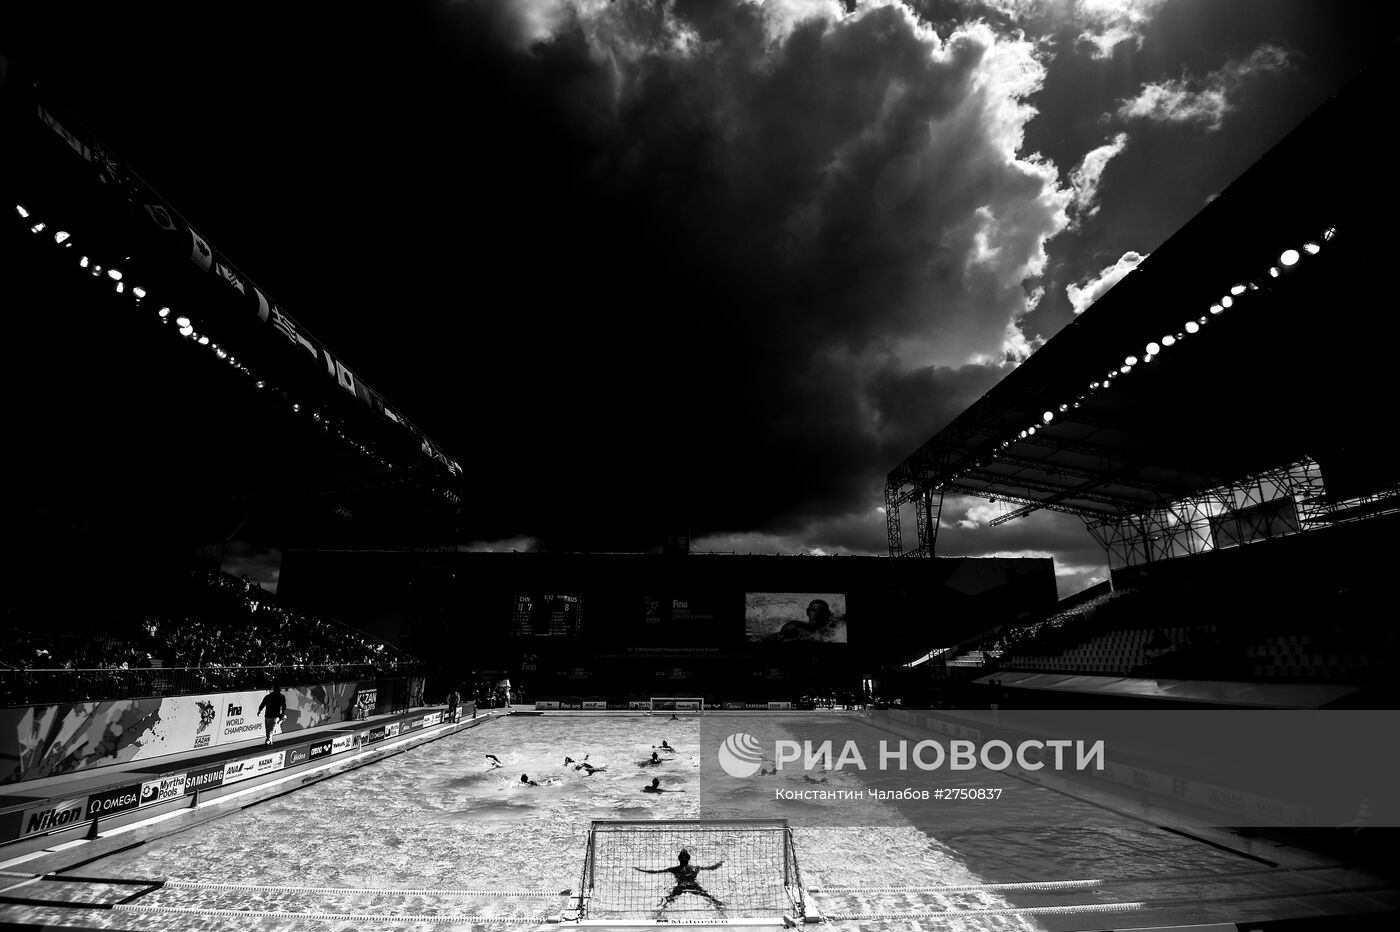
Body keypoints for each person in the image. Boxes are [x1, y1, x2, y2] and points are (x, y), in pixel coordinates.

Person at [634, 850, 724, 917]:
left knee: (668, 900)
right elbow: (711, 868)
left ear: (679, 859)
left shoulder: (676, 869)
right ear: (688, 858)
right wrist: (719, 864)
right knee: (710, 898)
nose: (683, 860)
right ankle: (721, 909)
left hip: (681, 887)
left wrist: (642, 870)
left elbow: (655, 872)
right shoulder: (694, 868)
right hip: (693, 886)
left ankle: (659, 913)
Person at [776, 599, 841, 641]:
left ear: (827, 614)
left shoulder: (832, 628)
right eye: (813, 610)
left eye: (821, 611)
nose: (816, 614)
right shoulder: (796, 626)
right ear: (807, 612)